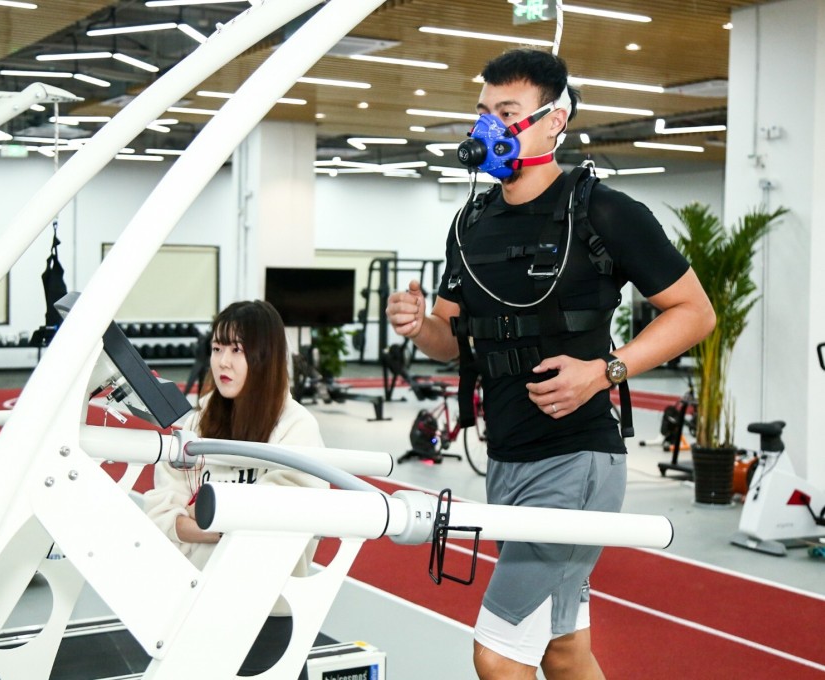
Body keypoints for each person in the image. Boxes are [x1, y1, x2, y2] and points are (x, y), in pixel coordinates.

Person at [386, 47, 715, 680]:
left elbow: (695, 313)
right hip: (506, 456)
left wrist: (605, 371)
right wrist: (419, 324)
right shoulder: (470, 223)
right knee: (564, 652)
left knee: (498, 655)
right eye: (483, 112)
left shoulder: (603, 212)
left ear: (553, 121)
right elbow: (454, 340)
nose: (488, 127)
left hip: (576, 458)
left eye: (507, 111)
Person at [142, 299, 326, 678]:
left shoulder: (296, 427)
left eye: (237, 350)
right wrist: (222, 521)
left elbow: (272, 528)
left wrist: (198, 514)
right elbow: (160, 513)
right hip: (196, 603)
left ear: (265, 356)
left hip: (267, 615)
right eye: (217, 348)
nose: (222, 361)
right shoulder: (198, 418)